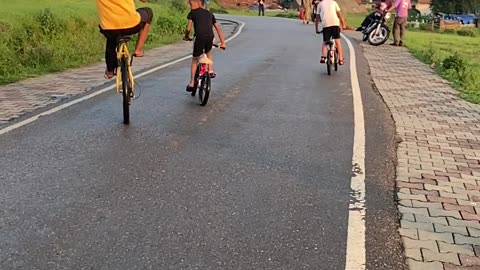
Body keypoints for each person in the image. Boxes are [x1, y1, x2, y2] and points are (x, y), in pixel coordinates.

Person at [96, 0, 153, 79]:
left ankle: (110, 71)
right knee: (149, 12)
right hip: (132, 25)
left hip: (109, 28)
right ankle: (138, 50)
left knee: (111, 39)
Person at [184, 0, 226, 92]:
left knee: (195, 59)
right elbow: (217, 28)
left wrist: (186, 36)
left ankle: (191, 83)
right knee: (208, 52)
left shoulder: (192, 13)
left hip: (199, 37)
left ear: (198, 3)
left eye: (191, 4)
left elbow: (188, 28)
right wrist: (223, 43)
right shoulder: (209, 13)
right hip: (210, 36)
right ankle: (210, 70)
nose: (190, 6)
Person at [315, 0, 347, 65]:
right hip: (335, 23)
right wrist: (343, 24)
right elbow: (340, 14)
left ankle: (323, 57)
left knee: (325, 42)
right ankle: (341, 59)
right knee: (338, 42)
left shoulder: (320, 4)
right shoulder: (333, 2)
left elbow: (317, 18)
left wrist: (316, 29)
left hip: (326, 25)